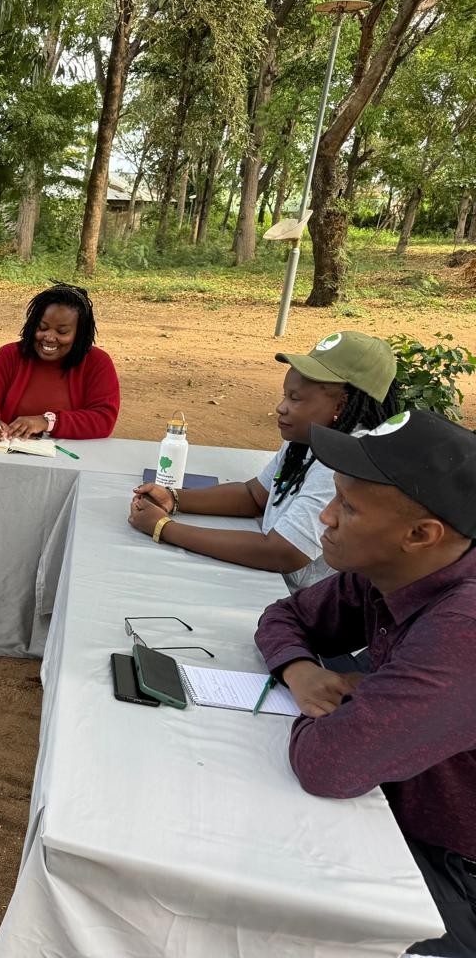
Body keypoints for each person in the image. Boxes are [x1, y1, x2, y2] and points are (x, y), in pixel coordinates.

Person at [253, 410, 476, 957]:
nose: (325, 517)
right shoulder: (396, 567)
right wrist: (300, 671)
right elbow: (282, 617)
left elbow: (330, 764)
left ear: (421, 535)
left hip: (449, 864)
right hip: (390, 802)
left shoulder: (464, 628)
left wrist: (361, 705)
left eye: (348, 508)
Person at [128, 330, 400, 592]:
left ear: (341, 406)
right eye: (285, 395)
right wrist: (173, 498)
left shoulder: (346, 458)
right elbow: (255, 495)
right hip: (267, 578)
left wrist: (164, 528)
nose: (280, 407)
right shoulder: (307, 437)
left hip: (295, 599)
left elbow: (283, 552)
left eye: (295, 398)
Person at [0, 283, 119, 441]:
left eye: (62, 332)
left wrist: (47, 422)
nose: (50, 337)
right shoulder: (10, 355)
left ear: (80, 334)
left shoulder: (97, 363)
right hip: (10, 452)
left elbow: (103, 419)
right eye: (42, 328)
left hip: (70, 458)